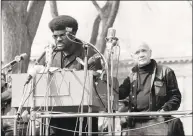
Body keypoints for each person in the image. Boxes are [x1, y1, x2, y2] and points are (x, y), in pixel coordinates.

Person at [35, 15, 102, 136]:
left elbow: (96, 86)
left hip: (81, 119)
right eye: (55, 36)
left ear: (73, 34)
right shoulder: (49, 54)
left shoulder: (88, 52)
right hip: (52, 119)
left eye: (62, 35)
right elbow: (38, 77)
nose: (58, 39)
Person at [118, 42, 182, 136]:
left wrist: (164, 111)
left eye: (143, 50)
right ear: (133, 56)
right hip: (135, 125)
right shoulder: (131, 76)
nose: (141, 55)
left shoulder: (165, 71)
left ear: (150, 53)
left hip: (156, 123)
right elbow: (120, 94)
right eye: (137, 52)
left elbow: (176, 96)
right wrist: (106, 80)